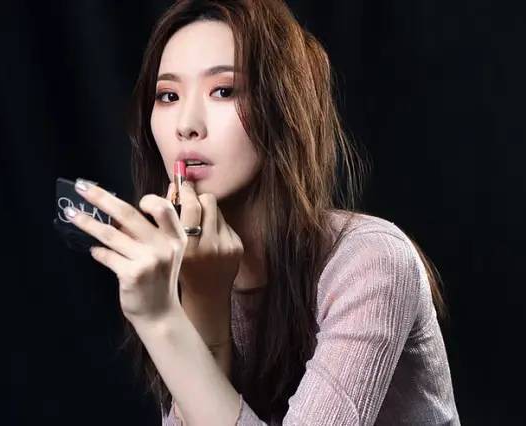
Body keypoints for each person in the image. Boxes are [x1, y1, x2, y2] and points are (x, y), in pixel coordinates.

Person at [63, 0, 460, 424]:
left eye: (224, 91)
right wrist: (203, 302)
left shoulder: (371, 261)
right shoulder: (190, 268)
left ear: (282, 105)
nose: (186, 124)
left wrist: (162, 321)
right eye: (168, 96)